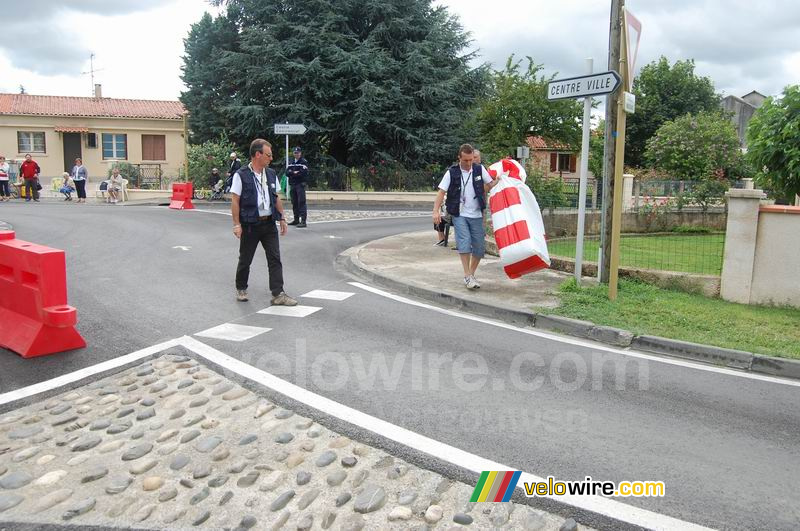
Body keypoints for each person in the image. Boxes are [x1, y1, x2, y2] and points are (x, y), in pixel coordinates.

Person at [230, 138, 298, 306]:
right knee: (245, 259)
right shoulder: (241, 175)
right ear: (257, 154)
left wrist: (282, 217)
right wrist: (237, 224)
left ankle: (278, 293)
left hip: (269, 223)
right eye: (268, 155)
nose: (271, 158)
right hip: (250, 224)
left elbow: (276, 197)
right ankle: (241, 287)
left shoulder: (271, 174)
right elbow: (235, 200)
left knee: (275, 258)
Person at [433, 144, 500, 289]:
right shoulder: (451, 172)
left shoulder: (479, 169)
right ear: (459, 158)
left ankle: (470, 275)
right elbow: (441, 192)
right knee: (464, 241)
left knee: (479, 248)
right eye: (466, 160)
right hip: (459, 213)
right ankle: (468, 275)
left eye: (471, 160)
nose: (469, 163)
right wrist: (435, 211)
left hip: (476, 214)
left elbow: (489, 184)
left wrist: (500, 179)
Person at [286, 146, 309, 227]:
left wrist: (292, 173)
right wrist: (294, 172)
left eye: (298, 153)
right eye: (295, 153)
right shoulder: (291, 162)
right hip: (293, 185)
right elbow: (287, 173)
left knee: (301, 202)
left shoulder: (303, 162)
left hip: (300, 184)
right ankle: (296, 220)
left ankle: (303, 221)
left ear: (300, 153)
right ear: (293, 153)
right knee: (294, 202)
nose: (296, 154)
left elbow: (303, 173)